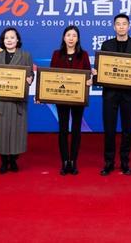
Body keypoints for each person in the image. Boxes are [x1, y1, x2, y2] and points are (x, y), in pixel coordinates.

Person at [97, 13, 131, 176]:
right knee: (109, 129)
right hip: (110, 94)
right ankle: (109, 162)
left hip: (129, 95)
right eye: (118, 24)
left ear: (129, 26)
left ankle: (125, 162)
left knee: (127, 129)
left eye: (124, 24)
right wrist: (97, 73)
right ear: (114, 26)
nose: (121, 26)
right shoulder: (106, 45)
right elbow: (102, 69)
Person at [0, 27, 34, 174]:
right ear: (3, 40)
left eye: (12, 37)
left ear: (17, 39)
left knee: (17, 133)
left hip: (17, 102)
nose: (9, 40)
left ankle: (14, 160)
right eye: (6, 38)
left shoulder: (26, 55)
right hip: (0, 101)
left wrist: (30, 79)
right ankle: (3, 161)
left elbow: (30, 74)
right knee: (1, 132)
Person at [49, 25, 92, 175]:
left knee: (76, 130)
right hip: (61, 97)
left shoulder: (83, 55)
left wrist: (90, 80)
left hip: (77, 98)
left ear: (78, 38)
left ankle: (73, 161)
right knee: (63, 129)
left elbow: (88, 74)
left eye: (74, 35)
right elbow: (51, 76)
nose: (71, 38)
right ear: (64, 37)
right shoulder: (56, 54)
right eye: (68, 35)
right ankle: (64, 161)